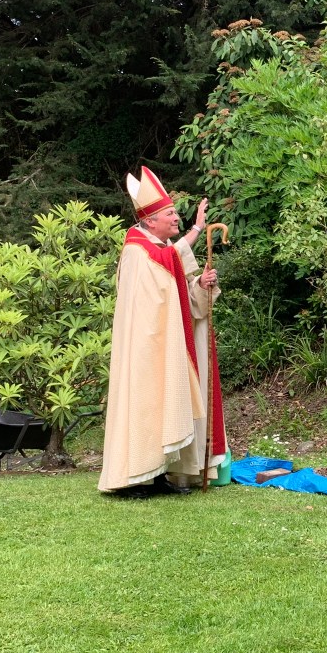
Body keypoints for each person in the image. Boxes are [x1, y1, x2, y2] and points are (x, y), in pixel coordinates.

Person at [99, 166, 229, 497]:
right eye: (170, 214)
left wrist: (200, 284)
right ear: (150, 220)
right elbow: (163, 272)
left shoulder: (161, 249)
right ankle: (131, 478)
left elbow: (178, 293)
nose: (176, 218)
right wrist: (197, 230)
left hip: (164, 344)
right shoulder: (137, 251)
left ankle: (159, 477)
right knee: (144, 406)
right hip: (144, 348)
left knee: (163, 406)